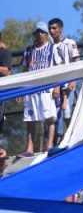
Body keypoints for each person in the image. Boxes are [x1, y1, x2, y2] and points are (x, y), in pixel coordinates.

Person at [22, 22, 56, 155]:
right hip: (30, 89)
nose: (39, 34)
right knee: (29, 119)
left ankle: (49, 145)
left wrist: (57, 87)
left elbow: (58, 69)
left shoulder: (52, 48)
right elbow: (24, 69)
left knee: (49, 117)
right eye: (37, 32)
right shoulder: (29, 50)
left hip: (46, 88)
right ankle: (30, 148)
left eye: (41, 32)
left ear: (46, 34)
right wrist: (21, 89)